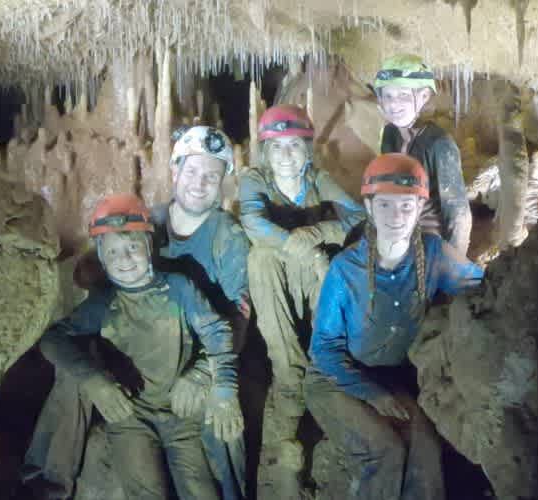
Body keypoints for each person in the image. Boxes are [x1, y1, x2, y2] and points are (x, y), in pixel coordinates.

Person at [38, 193, 244, 500]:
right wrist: (95, 381)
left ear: (149, 246)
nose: (124, 259)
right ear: (102, 258)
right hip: (130, 416)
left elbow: (217, 332)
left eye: (132, 247)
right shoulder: (103, 303)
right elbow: (53, 339)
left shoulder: (179, 287)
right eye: (113, 252)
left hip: (180, 413)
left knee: (200, 492)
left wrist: (221, 387)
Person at [305, 153, 484, 500]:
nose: (396, 217)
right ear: (370, 208)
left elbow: (481, 285)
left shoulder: (433, 255)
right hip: (334, 381)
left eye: (406, 206)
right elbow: (323, 350)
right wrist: (373, 395)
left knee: (427, 447)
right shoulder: (346, 270)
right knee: (384, 450)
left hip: (390, 379)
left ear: (420, 208)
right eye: (385, 205)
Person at [238, 104, 366, 496]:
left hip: (308, 275)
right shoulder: (254, 180)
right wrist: (304, 245)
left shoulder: (318, 178)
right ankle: (287, 368)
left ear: (307, 149)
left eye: (294, 146)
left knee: (327, 263)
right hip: (274, 277)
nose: (286, 156)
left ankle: (323, 361)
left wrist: (315, 237)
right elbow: (253, 222)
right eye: (277, 148)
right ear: (265, 152)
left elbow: (356, 216)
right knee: (261, 256)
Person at [150, 125, 253, 499]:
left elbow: (238, 319)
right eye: (192, 171)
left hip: (207, 352)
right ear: (175, 171)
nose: (199, 182)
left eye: (212, 175)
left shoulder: (228, 235)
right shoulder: (150, 223)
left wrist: (201, 374)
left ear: (223, 183)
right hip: (153, 351)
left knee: (223, 419)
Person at [375, 54, 473, 255]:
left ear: (424, 97)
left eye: (403, 95)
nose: (394, 105)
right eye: (388, 96)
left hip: (429, 238)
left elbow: (458, 213)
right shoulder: (390, 134)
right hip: (396, 228)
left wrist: (454, 264)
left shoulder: (439, 145)